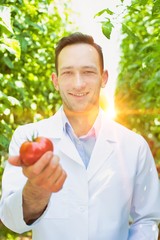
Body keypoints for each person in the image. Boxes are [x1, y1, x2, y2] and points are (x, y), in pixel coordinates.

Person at [0, 32, 160, 240]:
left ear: (104, 78)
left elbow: (147, 219)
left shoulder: (134, 146)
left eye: (88, 72)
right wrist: (36, 190)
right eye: (67, 73)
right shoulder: (27, 137)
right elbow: (12, 221)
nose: (78, 84)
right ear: (55, 81)